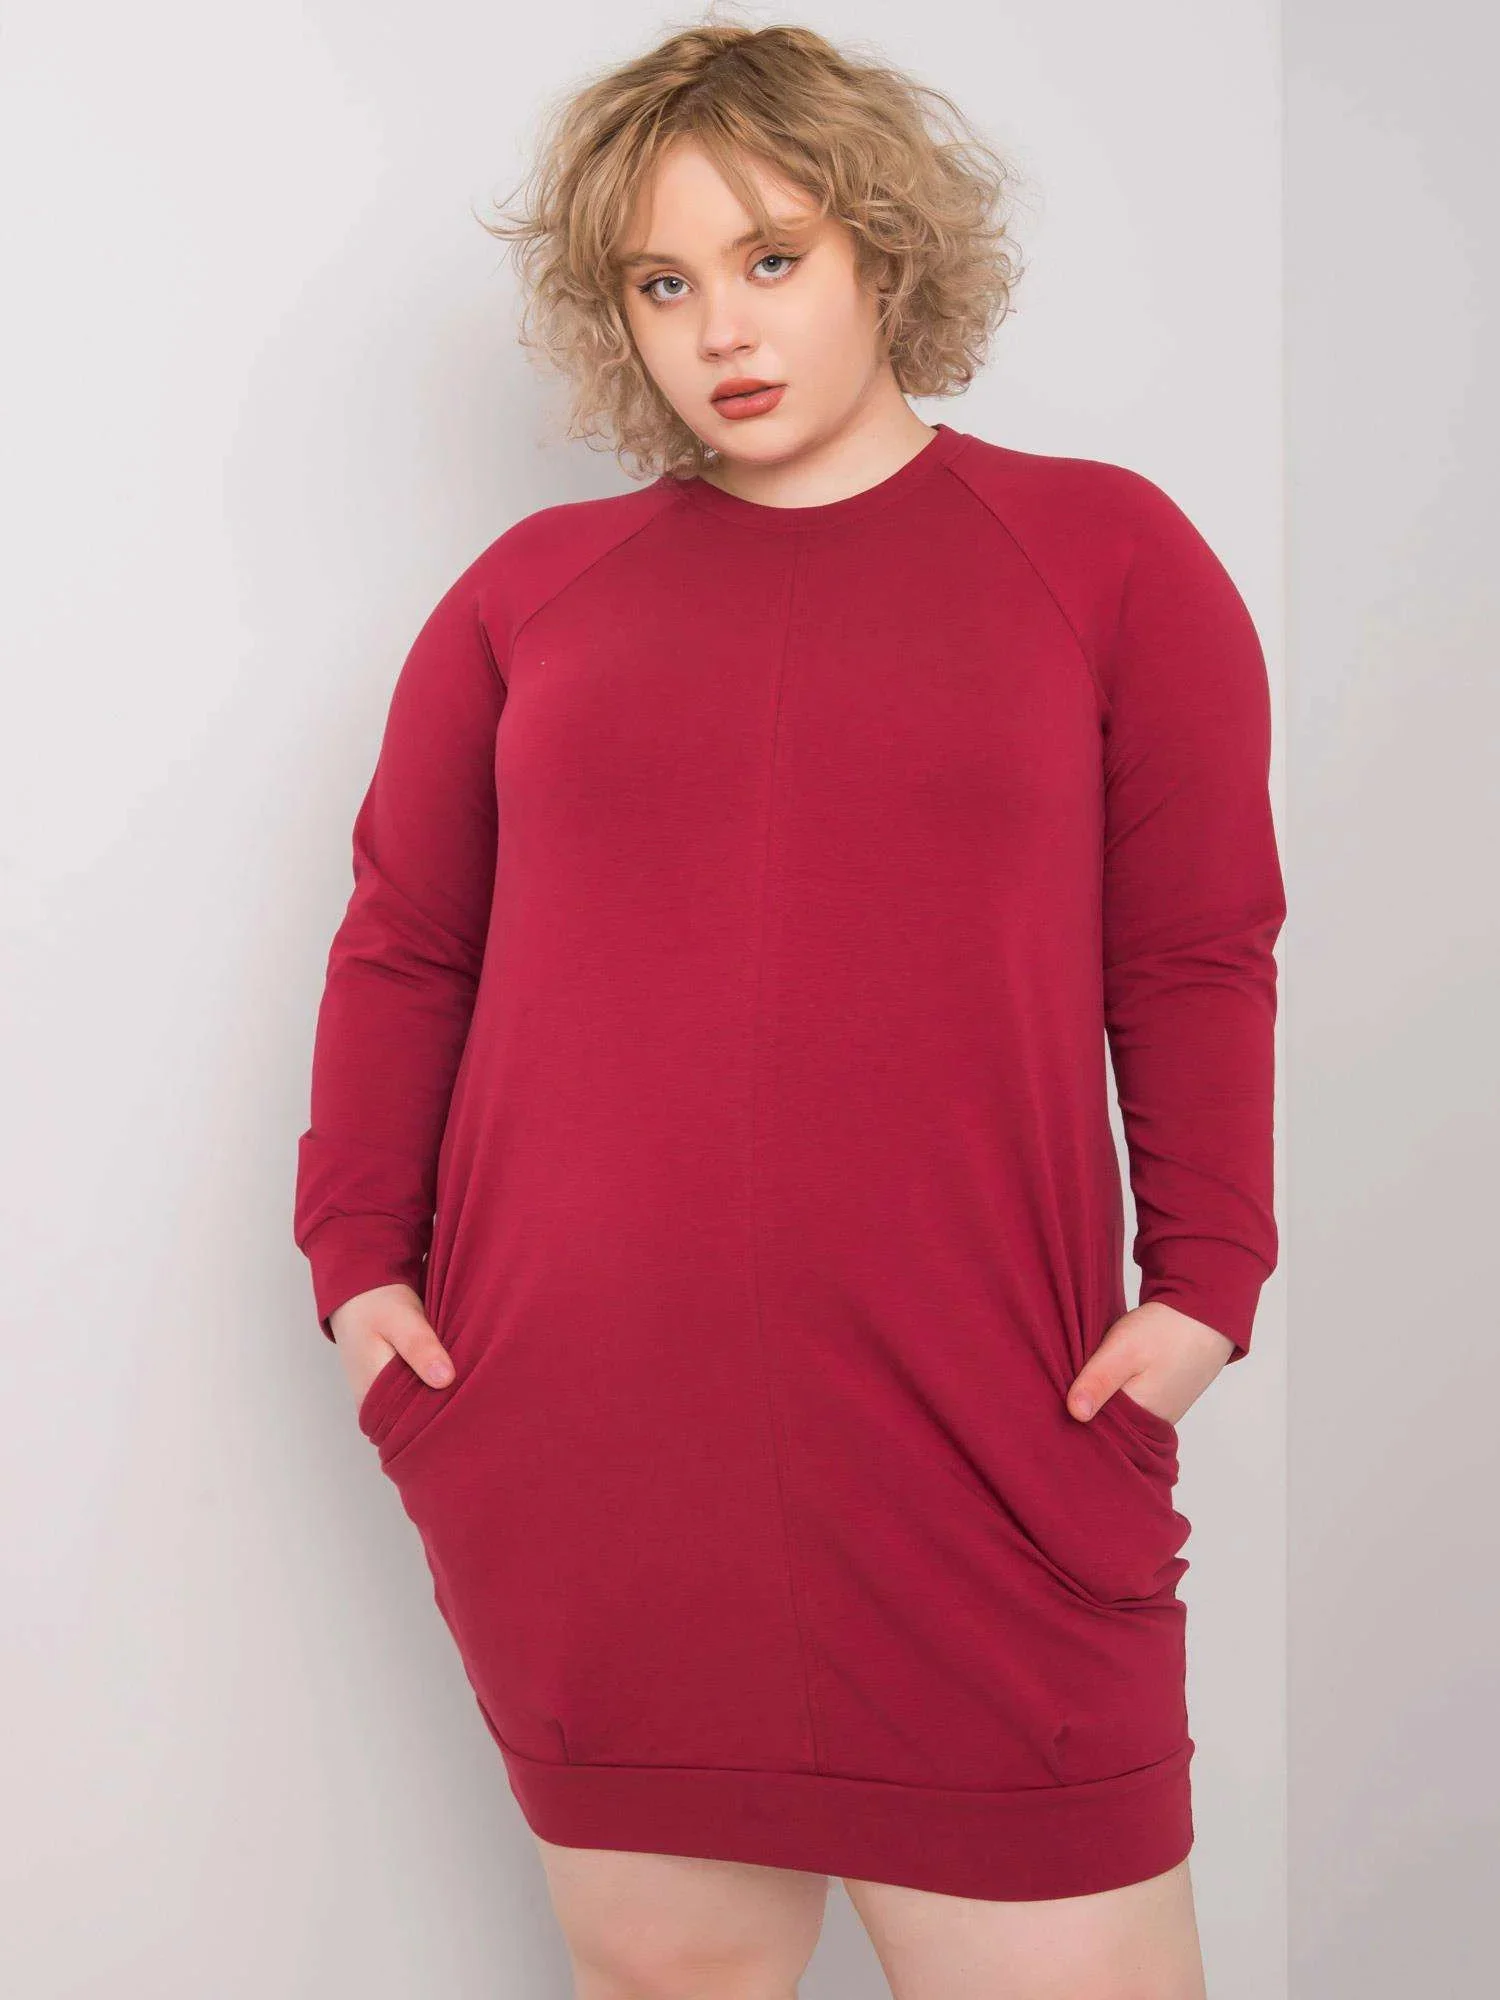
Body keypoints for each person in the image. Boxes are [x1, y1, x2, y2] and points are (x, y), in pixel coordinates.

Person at [292, 20, 1284, 1999]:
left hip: (978, 1426)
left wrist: (1207, 1282)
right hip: (593, 1443)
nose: (719, 330)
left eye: (771, 257)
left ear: (884, 252)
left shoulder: (1104, 553)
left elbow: (1192, 947)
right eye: (661, 284)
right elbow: (408, 943)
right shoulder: (532, 592)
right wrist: (356, 1266)